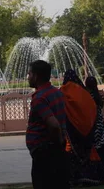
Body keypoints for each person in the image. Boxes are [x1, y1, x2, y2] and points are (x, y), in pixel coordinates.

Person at [26, 60, 69, 189]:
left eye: (29, 74)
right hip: (57, 151)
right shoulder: (57, 93)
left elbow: (54, 124)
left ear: (36, 76)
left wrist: (56, 141)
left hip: (45, 151)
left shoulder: (39, 98)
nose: (28, 77)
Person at [61, 70, 102, 186]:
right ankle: (91, 177)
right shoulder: (84, 92)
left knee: (73, 152)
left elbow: (62, 108)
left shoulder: (63, 91)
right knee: (87, 151)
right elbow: (92, 108)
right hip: (87, 128)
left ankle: (74, 178)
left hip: (72, 128)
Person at [85, 76, 104, 183]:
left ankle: (95, 175)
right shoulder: (99, 96)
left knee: (93, 152)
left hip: (91, 126)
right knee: (103, 151)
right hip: (100, 126)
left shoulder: (86, 96)